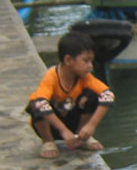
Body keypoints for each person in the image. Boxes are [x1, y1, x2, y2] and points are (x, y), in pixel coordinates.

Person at [25, 31, 114, 159]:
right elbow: (40, 102)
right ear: (68, 60)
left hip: (72, 121)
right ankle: (48, 141)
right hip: (53, 125)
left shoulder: (86, 78)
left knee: (93, 96)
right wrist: (63, 130)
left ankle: (82, 135)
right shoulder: (52, 76)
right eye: (85, 61)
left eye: (91, 61)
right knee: (36, 103)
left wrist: (91, 125)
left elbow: (108, 95)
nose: (90, 66)